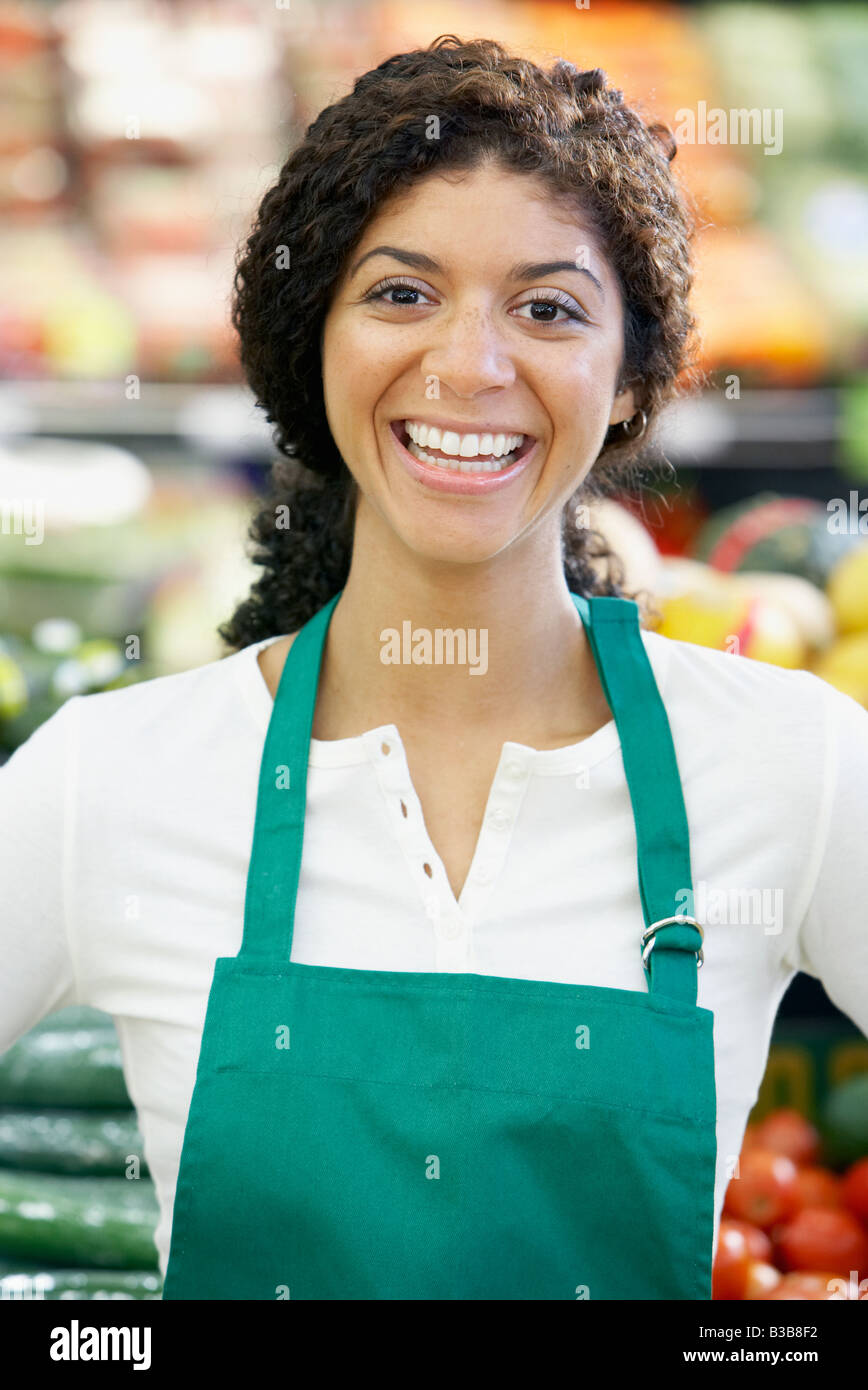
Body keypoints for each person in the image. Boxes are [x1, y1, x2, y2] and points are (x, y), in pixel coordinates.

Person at [2, 36, 867, 1301]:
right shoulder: (111, 779)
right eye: (402, 293)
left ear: (631, 380)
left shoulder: (791, 764)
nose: (470, 365)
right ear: (316, 342)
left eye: (549, 307)